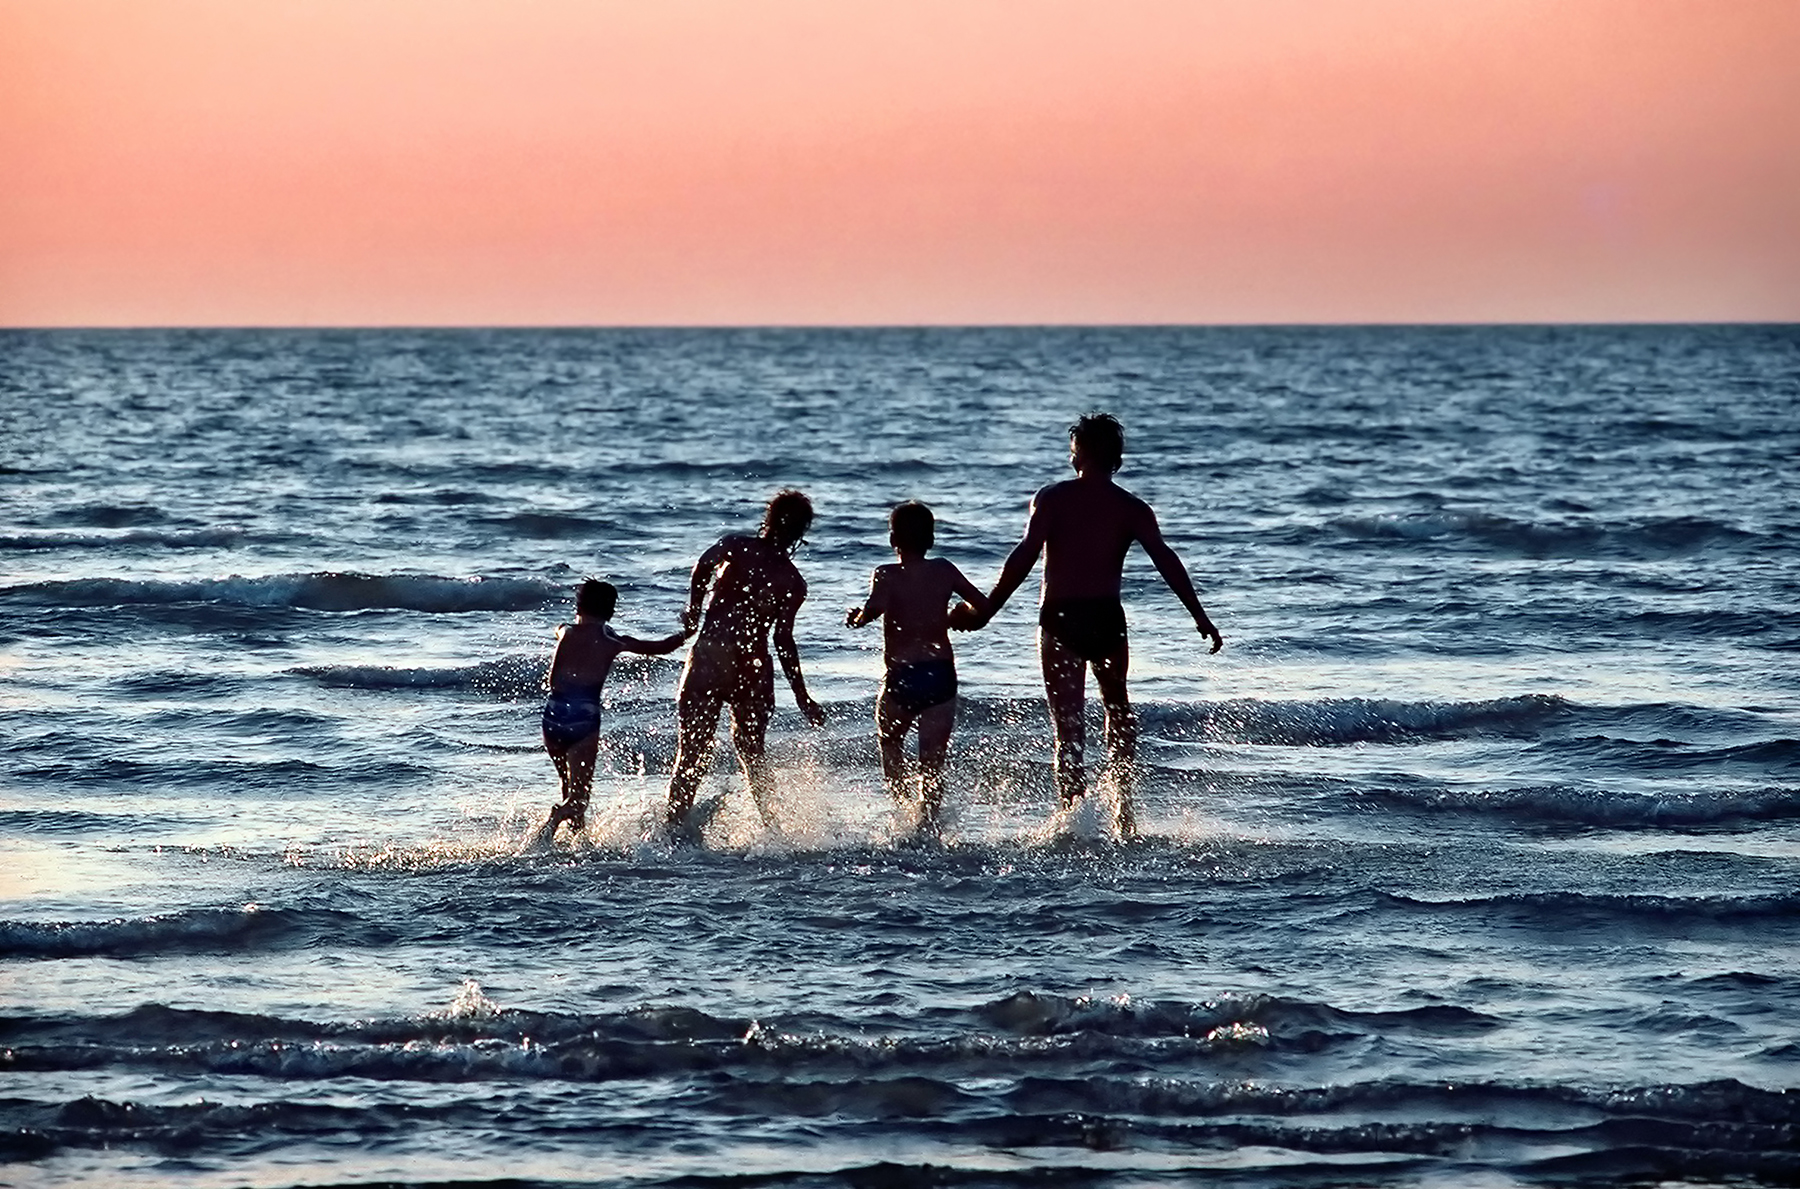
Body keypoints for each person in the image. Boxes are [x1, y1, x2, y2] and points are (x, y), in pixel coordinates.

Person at [973, 413, 1222, 834]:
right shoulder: (1132, 508)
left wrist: (987, 609)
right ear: (1116, 458)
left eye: (1074, 450)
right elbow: (1167, 562)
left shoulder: (1051, 499)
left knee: (1068, 726)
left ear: (1081, 453)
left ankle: (1074, 819)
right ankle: (1124, 813)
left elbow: (1024, 556)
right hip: (1107, 620)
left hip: (1061, 620)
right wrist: (1200, 617)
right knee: (1118, 711)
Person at [665, 489, 828, 834]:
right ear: (801, 533)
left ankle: (674, 831)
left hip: (711, 655)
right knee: (753, 755)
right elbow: (783, 640)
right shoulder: (793, 581)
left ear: (767, 520)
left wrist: (694, 614)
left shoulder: (736, 547)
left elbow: (702, 566)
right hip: (751, 667)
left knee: (692, 753)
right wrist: (803, 698)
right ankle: (774, 832)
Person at [845, 501, 990, 834]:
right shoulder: (944, 570)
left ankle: (903, 813)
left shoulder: (886, 574)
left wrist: (857, 618)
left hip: (902, 677)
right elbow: (980, 605)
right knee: (933, 760)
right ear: (932, 539)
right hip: (940, 675)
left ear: (892, 538)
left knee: (890, 743)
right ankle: (928, 825)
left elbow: (874, 609)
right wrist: (955, 615)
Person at [539, 579, 688, 840]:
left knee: (568, 784)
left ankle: (577, 839)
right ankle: (556, 819)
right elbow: (660, 647)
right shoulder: (612, 640)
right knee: (579, 798)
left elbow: (558, 629)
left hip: (552, 715)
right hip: (583, 717)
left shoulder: (566, 631)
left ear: (579, 605)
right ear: (611, 610)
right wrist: (686, 632)